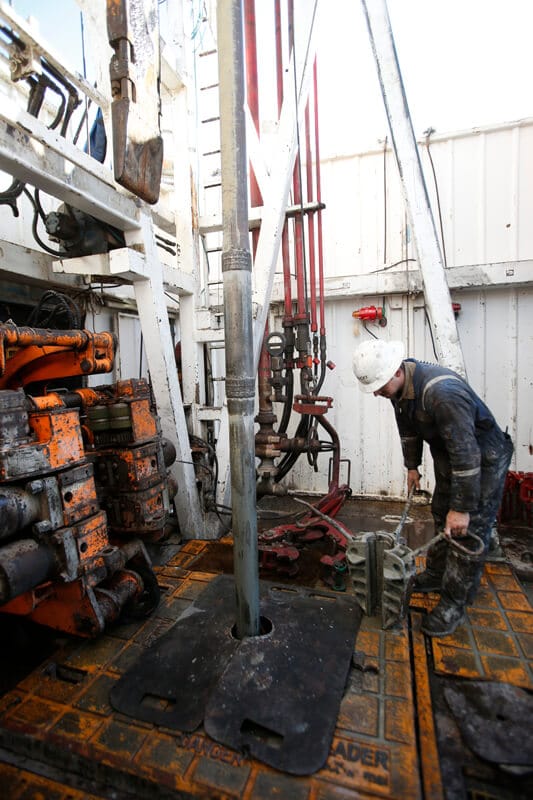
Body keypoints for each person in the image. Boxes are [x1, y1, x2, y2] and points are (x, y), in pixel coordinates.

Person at [352, 338, 513, 637]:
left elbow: (467, 455)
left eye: (379, 386)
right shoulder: (400, 389)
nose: (376, 393)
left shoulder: (442, 394)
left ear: (396, 372)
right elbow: (408, 429)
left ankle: (453, 603)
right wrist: (412, 466)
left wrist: (463, 509)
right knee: (441, 513)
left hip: (482, 458)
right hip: (450, 454)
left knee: (466, 531)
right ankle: (438, 574)